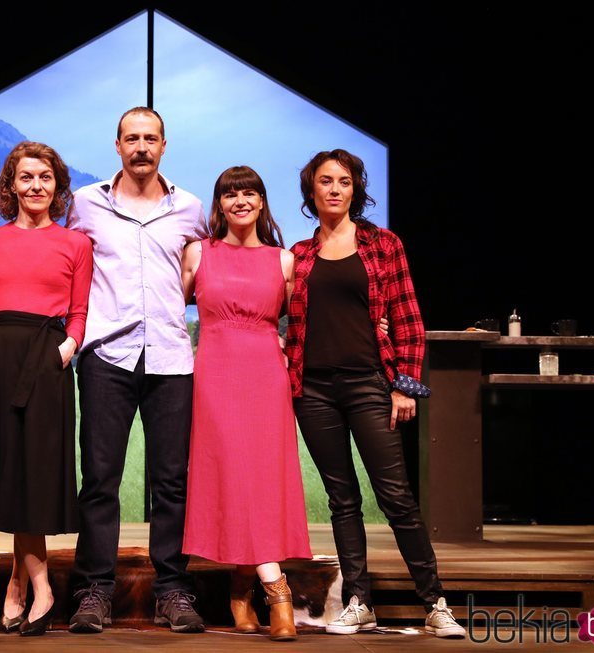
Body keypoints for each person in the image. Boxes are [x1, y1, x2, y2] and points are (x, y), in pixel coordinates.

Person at [286, 149, 466, 638]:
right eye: (325, 181)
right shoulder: (300, 255)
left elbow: (408, 318)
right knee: (341, 499)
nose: (335, 189)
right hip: (315, 390)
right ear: (311, 191)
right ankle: (359, 601)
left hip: (370, 383)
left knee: (396, 498)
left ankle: (435, 602)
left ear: (356, 189)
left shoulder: (383, 245)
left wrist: (404, 386)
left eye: (344, 181)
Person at [66, 107, 209, 634]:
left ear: (164, 145)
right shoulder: (85, 204)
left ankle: (172, 589)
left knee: (172, 483)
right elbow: (66, 264)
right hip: (107, 355)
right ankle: (93, 591)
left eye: (150, 138)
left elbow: (201, 271)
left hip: (171, 358)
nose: (141, 147)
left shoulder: (190, 208)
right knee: (100, 479)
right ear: (118, 145)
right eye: (132, 138)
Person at [0, 141, 93, 637]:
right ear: (11, 185)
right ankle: (33, 584)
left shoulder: (75, 243)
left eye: (45, 178)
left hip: (46, 357)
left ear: (57, 187)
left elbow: (79, 311)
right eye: (26, 177)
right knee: (9, 472)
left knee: (33, 472)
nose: (36, 186)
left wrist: (66, 349)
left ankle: (28, 584)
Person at [180, 166, 310, 641]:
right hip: (215, 374)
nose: (239, 200)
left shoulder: (283, 260)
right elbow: (167, 310)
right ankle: (276, 588)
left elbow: (300, 325)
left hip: (265, 377)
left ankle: (241, 584)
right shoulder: (198, 252)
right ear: (219, 204)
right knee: (232, 472)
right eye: (230, 193)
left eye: (248, 192)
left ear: (261, 201)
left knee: (262, 477)